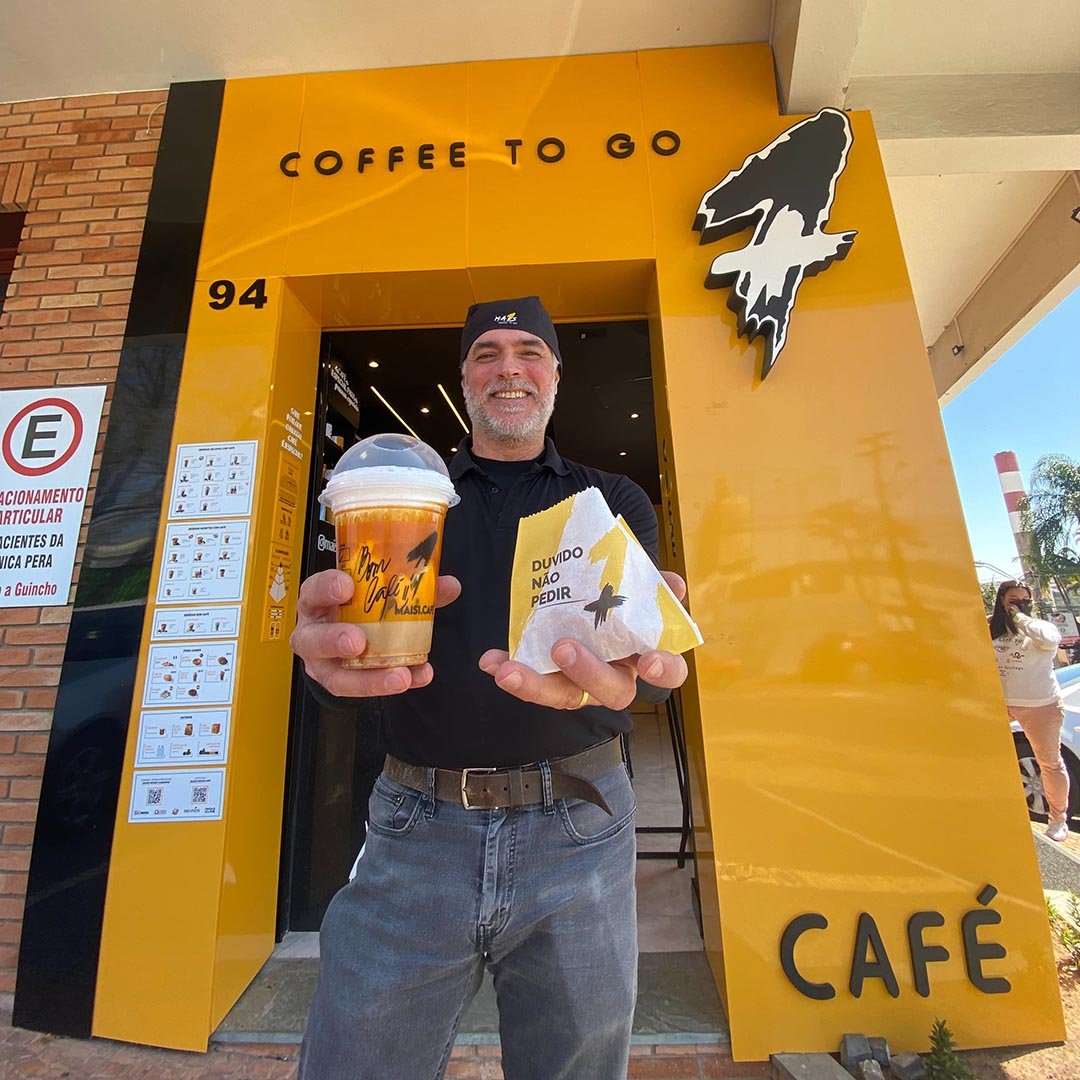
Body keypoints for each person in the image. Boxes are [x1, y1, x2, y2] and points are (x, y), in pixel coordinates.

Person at [292, 296, 690, 1080]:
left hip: (581, 824)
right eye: (487, 354)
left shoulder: (611, 504)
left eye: (529, 351)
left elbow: (646, 677)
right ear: (465, 379)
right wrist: (330, 671)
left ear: (555, 376)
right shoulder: (406, 504)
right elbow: (351, 678)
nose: (509, 367)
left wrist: (638, 681)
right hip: (414, 828)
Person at [989, 579, 1070, 842]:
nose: (1020, 604)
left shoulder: (1039, 629)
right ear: (1001, 600)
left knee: (1049, 762)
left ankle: (1058, 818)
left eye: (1025, 600)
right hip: (1002, 704)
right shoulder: (991, 628)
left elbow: (1048, 638)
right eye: (1013, 600)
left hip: (1041, 705)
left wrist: (1019, 616)